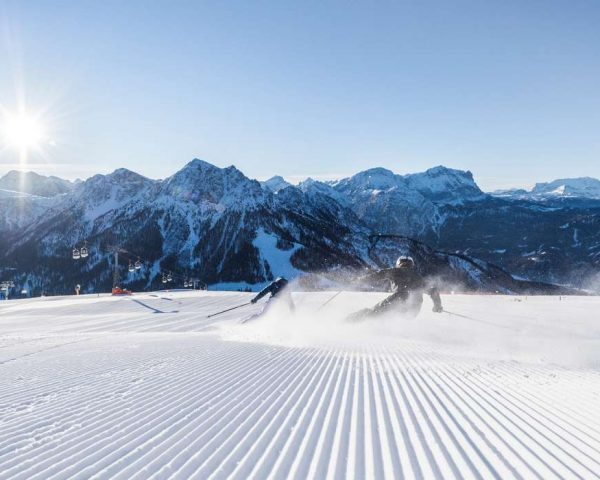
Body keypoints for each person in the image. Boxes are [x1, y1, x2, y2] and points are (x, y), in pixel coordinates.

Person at [347, 256, 443, 321]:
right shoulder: (418, 277)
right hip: (415, 309)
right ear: (412, 265)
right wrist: (437, 305)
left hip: (399, 300)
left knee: (373, 312)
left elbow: (376, 276)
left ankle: (349, 321)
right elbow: (433, 290)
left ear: (398, 264)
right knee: (392, 317)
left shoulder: (394, 271)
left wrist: (358, 280)